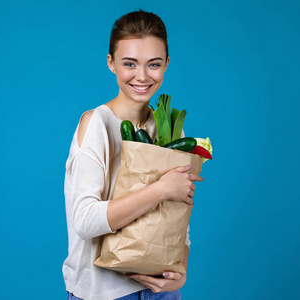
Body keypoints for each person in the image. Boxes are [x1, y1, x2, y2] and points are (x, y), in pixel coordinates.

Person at [62, 10, 203, 300]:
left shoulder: (169, 127)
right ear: (111, 63)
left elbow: (178, 215)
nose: (142, 76)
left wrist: (181, 272)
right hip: (104, 294)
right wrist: (161, 189)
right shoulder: (97, 124)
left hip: (161, 290)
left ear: (166, 65)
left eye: (154, 64)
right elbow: (86, 221)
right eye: (130, 63)